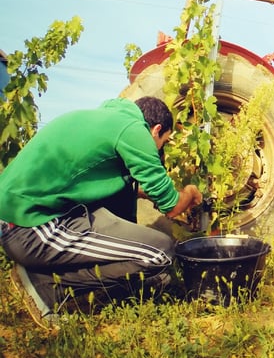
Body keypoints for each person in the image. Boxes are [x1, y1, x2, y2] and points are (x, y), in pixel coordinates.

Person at [0, 96, 202, 328]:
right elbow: (172, 206)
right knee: (161, 253)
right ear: (156, 130)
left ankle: (46, 274)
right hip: (32, 229)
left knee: (143, 256)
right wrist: (189, 192)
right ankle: (46, 285)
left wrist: (143, 194)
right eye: (163, 142)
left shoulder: (103, 120)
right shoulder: (134, 129)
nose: (159, 149)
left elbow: (87, 180)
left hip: (17, 219)